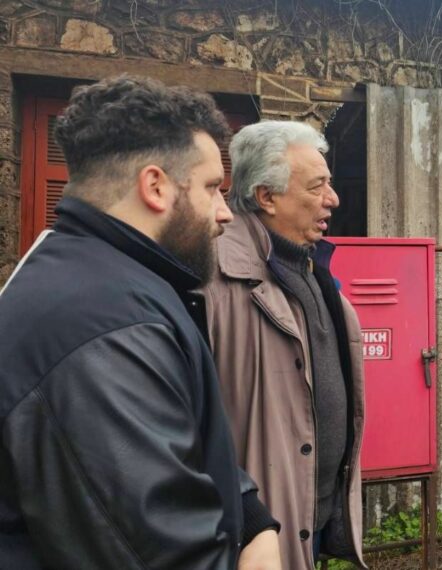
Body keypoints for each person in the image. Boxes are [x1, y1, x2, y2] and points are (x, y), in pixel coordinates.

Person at [0, 75, 280, 569]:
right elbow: (157, 554)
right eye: (212, 188)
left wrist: (250, 517)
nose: (225, 213)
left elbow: (181, 448)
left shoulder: (116, 285)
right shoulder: (100, 327)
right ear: (155, 186)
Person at [200, 120, 365, 569]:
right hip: (257, 531)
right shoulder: (213, 277)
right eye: (317, 186)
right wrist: (249, 521)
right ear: (266, 197)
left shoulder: (310, 266)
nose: (333, 198)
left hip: (312, 514)